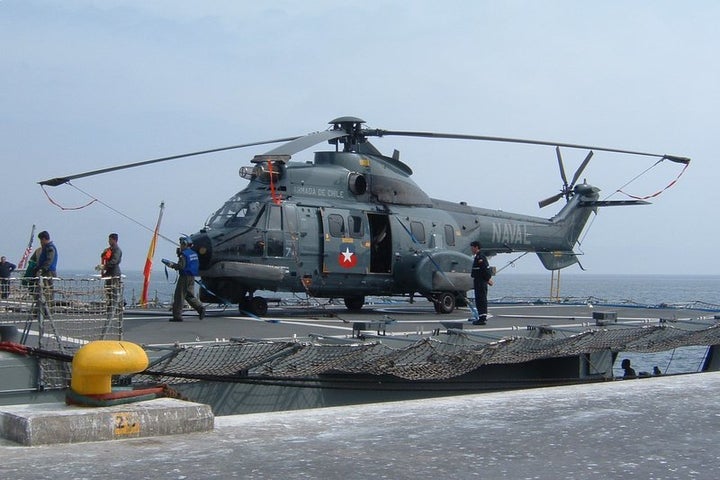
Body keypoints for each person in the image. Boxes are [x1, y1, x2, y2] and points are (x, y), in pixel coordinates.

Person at [170, 237, 205, 322]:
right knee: (189, 295)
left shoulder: (184, 254)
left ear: (185, 244)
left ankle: (177, 316)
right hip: (191, 277)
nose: (180, 246)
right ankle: (200, 308)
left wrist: (172, 265)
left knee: (179, 296)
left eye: (181, 244)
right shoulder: (193, 253)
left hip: (184, 277)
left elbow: (181, 266)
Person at [96, 233, 122, 313]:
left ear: (114, 240)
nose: (109, 241)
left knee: (114, 292)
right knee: (108, 292)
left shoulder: (117, 250)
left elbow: (114, 261)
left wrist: (104, 266)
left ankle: (116, 308)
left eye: (110, 239)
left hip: (114, 274)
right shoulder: (109, 249)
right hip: (108, 273)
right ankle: (110, 308)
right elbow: (104, 256)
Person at [470, 240, 494, 325]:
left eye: (472, 248)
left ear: (476, 247)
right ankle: (481, 317)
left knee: (481, 300)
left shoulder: (481, 258)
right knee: (479, 299)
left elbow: (485, 270)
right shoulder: (477, 257)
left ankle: (482, 318)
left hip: (481, 282)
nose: (471, 249)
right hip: (478, 281)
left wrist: (488, 279)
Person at [36, 231, 58, 301]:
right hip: (47, 271)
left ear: (44, 239)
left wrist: (42, 269)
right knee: (44, 290)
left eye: (41, 240)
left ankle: (48, 308)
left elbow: (49, 260)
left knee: (47, 290)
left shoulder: (50, 248)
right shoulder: (46, 247)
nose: (40, 242)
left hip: (48, 272)